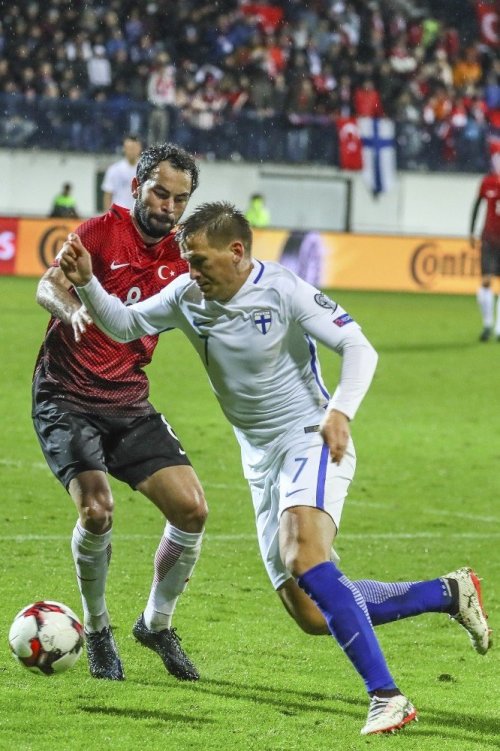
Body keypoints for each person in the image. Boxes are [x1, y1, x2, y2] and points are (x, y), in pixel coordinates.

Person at [59, 202, 490, 735]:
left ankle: (388, 696)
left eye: (199, 260)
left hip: (310, 437)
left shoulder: (282, 289)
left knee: (302, 553)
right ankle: (448, 592)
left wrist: (339, 412)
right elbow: (125, 325)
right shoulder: (187, 295)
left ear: (237, 252)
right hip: (259, 461)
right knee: (312, 614)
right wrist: (87, 285)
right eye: (186, 260)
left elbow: (358, 348)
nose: (190, 271)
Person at [33, 143, 208, 682]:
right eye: (160, 192)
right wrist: (72, 309)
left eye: (181, 199)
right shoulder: (99, 233)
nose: (169, 207)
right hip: (66, 394)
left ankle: (156, 623)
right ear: (136, 187)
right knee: (97, 510)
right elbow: (48, 284)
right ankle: (99, 629)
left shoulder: (184, 257)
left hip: (129, 399)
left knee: (192, 510)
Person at [470, 151, 500, 341]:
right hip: (489, 239)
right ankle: (487, 325)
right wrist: (471, 231)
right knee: (486, 281)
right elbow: (476, 205)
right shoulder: (487, 182)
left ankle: (499, 330)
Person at [101, 133, 142, 211]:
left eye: (134, 148)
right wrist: (107, 214)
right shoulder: (114, 169)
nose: (132, 151)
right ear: (124, 148)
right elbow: (108, 194)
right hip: (119, 214)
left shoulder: (145, 170)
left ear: (140, 148)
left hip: (137, 215)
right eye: (129, 148)